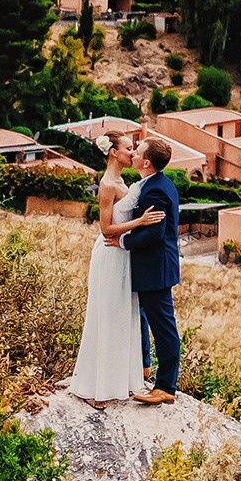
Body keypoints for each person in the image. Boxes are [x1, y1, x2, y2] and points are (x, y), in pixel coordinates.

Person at [63, 132, 165, 408]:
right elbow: (105, 228)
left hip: (123, 255)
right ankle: (94, 387)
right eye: (128, 149)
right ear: (113, 153)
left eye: (133, 149)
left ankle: (120, 381)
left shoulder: (123, 181)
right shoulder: (107, 184)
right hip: (109, 254)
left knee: (124, 315)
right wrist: (141, 222)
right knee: (106, 316)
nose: (132, 153)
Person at [123, 134, 184, 404]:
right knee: (147, 318)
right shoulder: (157, 183)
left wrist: (122, 241)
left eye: (137, 151)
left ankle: (166, 388)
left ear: (146, 162)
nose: (133, 152)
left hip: (155, 269)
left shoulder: (155, 189)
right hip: (155, 267)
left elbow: (155, 234)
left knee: (164, 328)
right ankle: (146, 366)